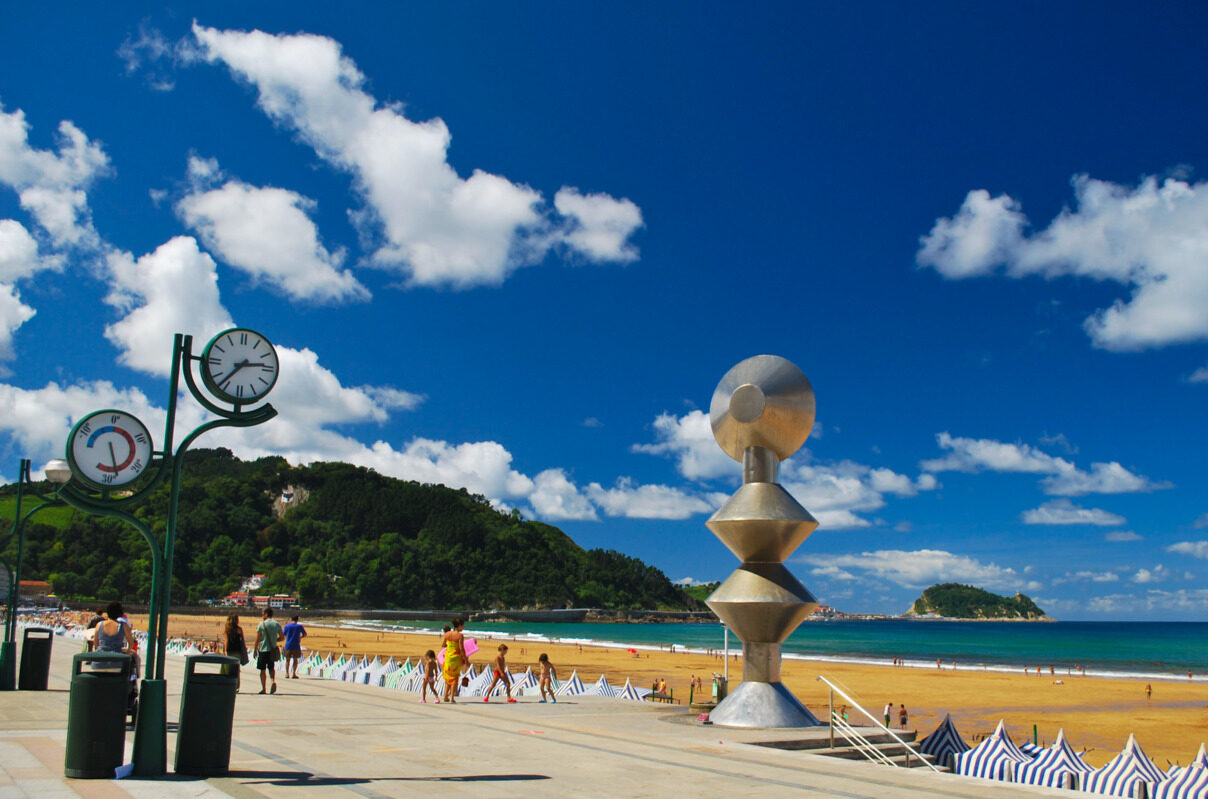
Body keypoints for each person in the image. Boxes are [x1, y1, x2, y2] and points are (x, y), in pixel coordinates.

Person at [254, 608, 284, 695]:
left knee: (262, 670)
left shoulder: (261, 624)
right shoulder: (276, 624)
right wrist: (275, 640)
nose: (262, 615)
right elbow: (282, 637)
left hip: (263, 650)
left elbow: (258, 639)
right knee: (271, 667)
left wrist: (255, 649)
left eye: (263, 614)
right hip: (272, 650)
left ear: (266, 614)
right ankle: (272, 681)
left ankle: (264, 688)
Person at [441, 618, 469, 703]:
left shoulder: (447, 634)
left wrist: (450, 647)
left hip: (448, 658)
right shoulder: (460, 636)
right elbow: (461, 648)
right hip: (456, 659)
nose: (464, 626)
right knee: (454, 679)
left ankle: (445, 696)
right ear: (459, 626)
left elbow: (443, 645)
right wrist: (465, 659)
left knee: (448, 679)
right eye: (463, 625)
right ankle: (452, 698)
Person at [222, 614, 248, 692]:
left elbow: (226, 641)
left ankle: (226, 685)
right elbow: (242, 641)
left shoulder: (227, 629)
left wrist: (225, 651)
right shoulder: (239, 629)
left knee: (227, 669)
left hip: (229, 651)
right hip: (238, 652)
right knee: (236, 670)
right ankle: (236, 686)